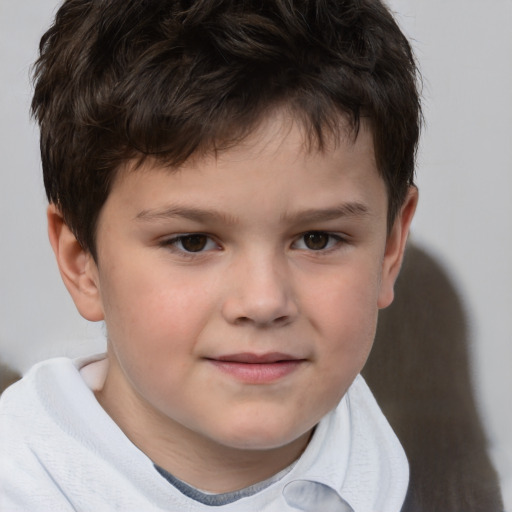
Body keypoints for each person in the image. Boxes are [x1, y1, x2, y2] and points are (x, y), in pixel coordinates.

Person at [0, 0, 421, 510]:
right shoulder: (20, 480)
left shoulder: (398, 470)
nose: (264, 301)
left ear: (390, 249)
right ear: (81, 262)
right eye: (193, 242)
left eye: (317, 239)